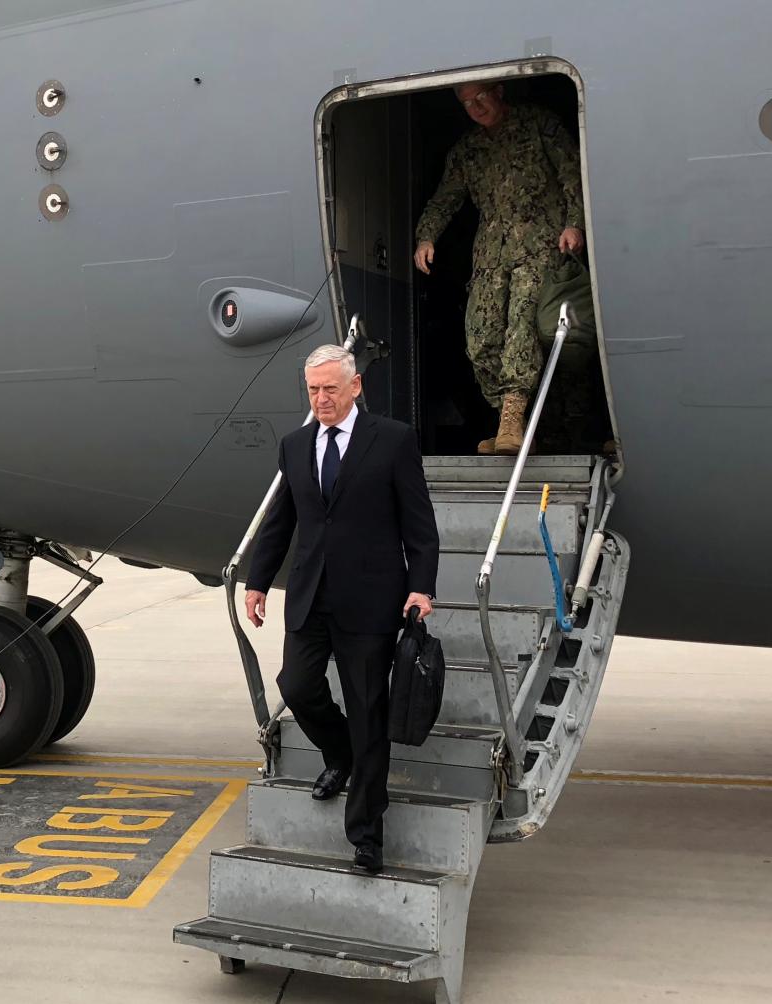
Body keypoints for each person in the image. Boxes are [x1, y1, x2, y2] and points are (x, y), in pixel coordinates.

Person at [243, 345, 439, 873]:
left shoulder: (393, 441)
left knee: (369, 713)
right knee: (297, 686)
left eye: (331, 388)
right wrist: (257, 581)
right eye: (313, 390)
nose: (322, 399)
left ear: (355, 387)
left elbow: (419, 524)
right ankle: (340, 754)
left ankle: (366, 834)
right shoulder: (295, 445)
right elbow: (282, 519)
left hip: (372, 600)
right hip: (310, 596)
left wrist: (421, 587)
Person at [414, 80, 586, 455]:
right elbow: (446, 198)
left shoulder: (539, 124)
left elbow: (572, 173)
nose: (476, 108)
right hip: (491, 254)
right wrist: (426, 237)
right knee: (479, 340)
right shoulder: (468, 150)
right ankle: (512, 419)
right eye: (467, 103)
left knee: (520, 328)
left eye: (481, 98)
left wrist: (575, 222)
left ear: (499, 91)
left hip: (541, 244)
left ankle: (512, 420)